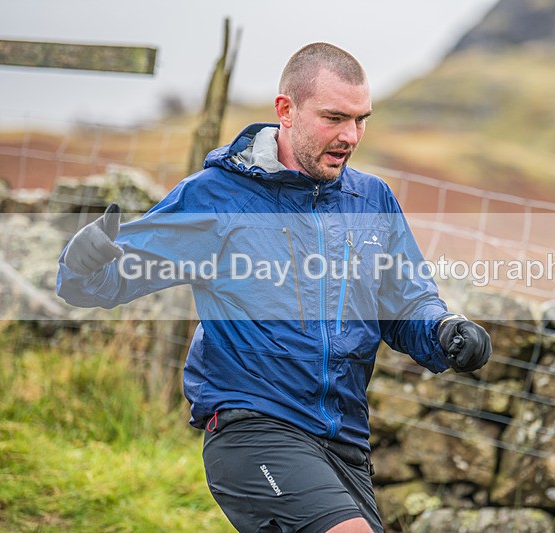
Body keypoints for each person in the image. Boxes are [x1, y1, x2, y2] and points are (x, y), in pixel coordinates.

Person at [57, 42, 491, 533]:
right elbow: (105, 280)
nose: (350, 136)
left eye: (361, 119)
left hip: (345, 439)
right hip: (254, 428)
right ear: (286, 110)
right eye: (334, 118)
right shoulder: (216, 197)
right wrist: (85, 262)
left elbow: (406, 301)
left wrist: (444, 331)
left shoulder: (371, 198)